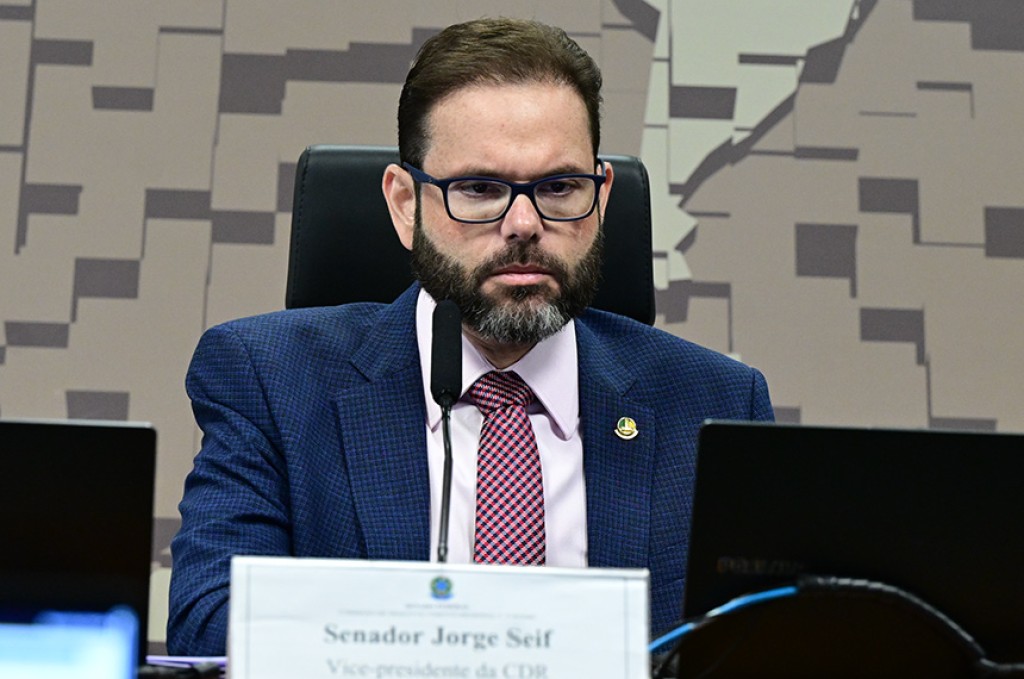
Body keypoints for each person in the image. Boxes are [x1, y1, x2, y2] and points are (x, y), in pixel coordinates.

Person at [167, 17, 774, 656]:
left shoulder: (713, 405)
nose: (524, 223)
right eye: (480, 189)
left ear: (601, 198)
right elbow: (210, 630)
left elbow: (762, 644)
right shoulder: (272, 381)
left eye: (560, 187)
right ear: (406, 204)